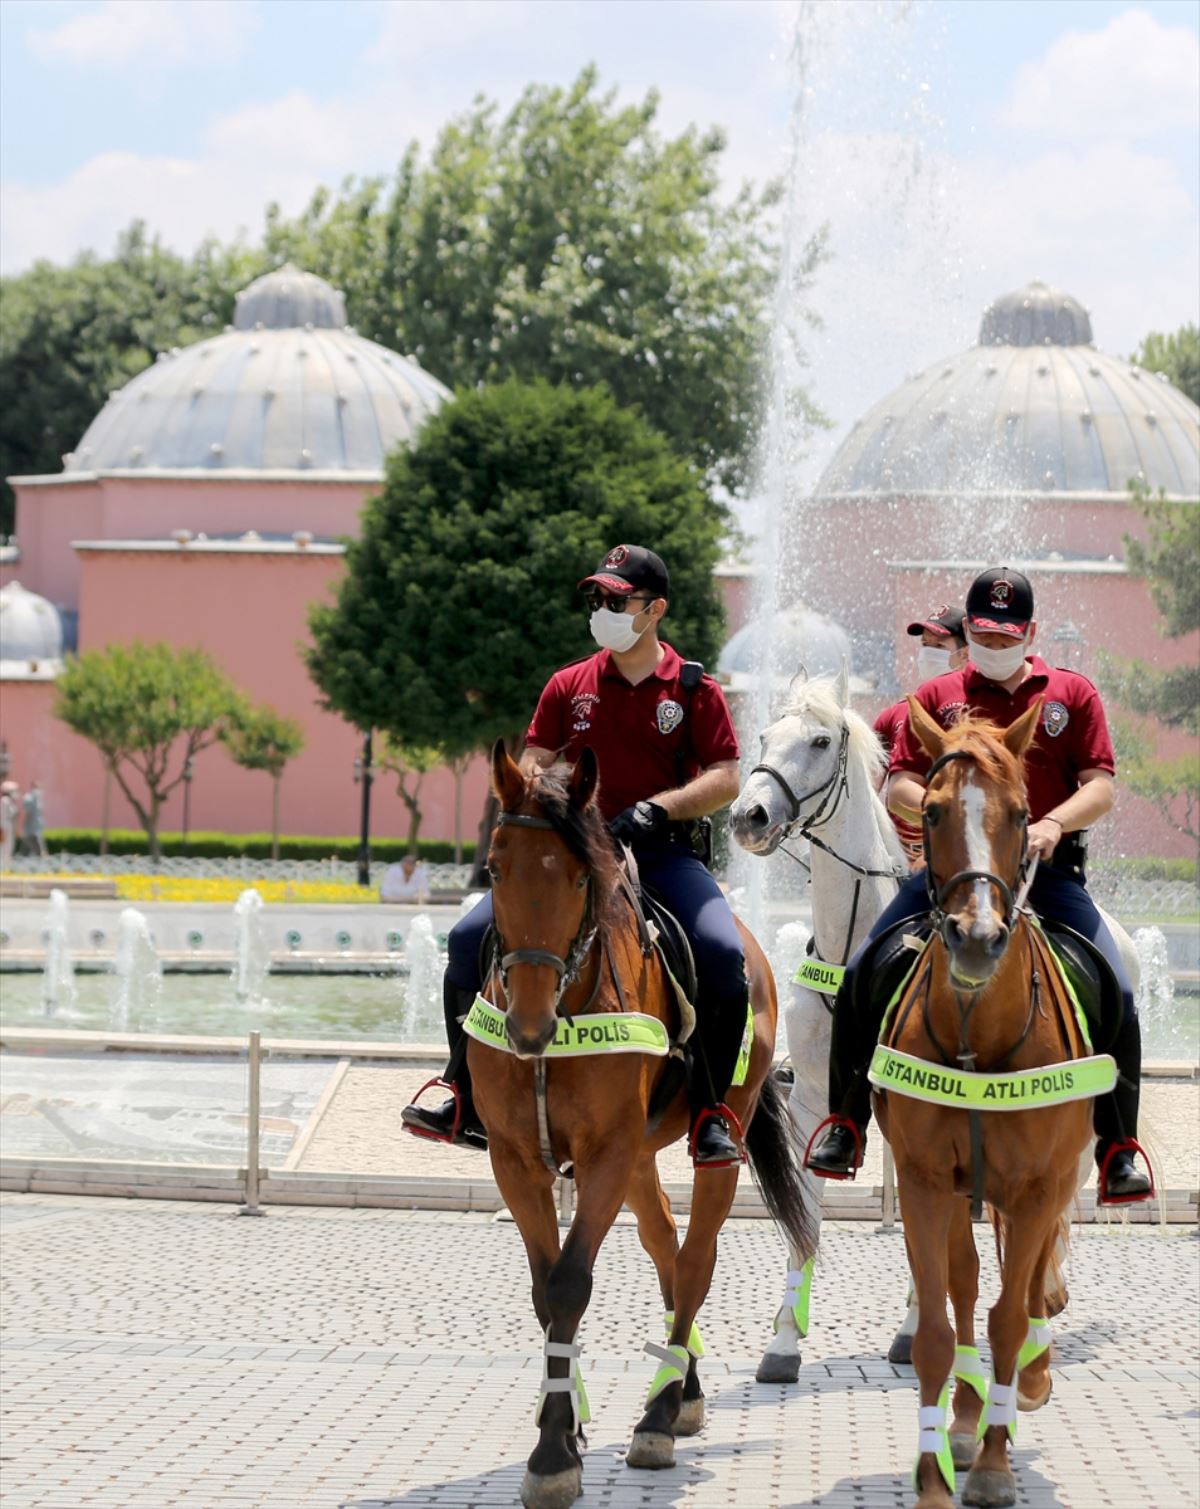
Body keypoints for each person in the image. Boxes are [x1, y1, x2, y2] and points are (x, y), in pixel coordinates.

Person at [806, 566, 1151, 1201]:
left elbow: (1099, 785)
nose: (994, 648)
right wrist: (940, 809)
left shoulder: (1071, 694)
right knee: (861, 971)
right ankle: (845, 1122)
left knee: (1119, 989)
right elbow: (900, 779)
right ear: (967, 632)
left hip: (1047, 875)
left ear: (1031, 633)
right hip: (954, 876)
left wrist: (1050, 825)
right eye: (984, 637)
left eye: (1007, 637)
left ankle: (1118, 1146)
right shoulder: (937, 696)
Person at [402, 543, 747, 1166]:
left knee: (724, 955)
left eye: (619, 600)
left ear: (656, 609)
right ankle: (459, 1088)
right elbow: (534, 758)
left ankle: (709, 1112)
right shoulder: (568, 684)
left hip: (661, 854)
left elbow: (727, 775)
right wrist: (544, 791)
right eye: (598, 599)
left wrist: (659, 808)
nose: (604, 609)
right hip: (569, 857)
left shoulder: (695, 689)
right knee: (464, 940)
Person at [873, 606, 969, 868]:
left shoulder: (978, 710)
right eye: (925, 645)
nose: (928, 653)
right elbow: (869, 791)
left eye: (938, 646)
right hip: (896, 861)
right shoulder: (893, 716)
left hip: (962, 859)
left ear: (965, 653)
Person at [19, 780, 45, 858]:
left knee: (27, 852)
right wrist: (21, 826)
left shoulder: (38, 799)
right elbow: (26, 813)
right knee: (38, 851)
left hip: (37, 830)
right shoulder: (29, 798)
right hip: (31, 831)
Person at [0, 781, 19, 871]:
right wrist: (3, 831)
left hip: (9, 826)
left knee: (9, 847)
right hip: (6, 827)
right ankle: (3, 867)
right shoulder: (5, 801)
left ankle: (6, 867)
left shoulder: (9, 802)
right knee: (5, 848)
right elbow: (3, 817)